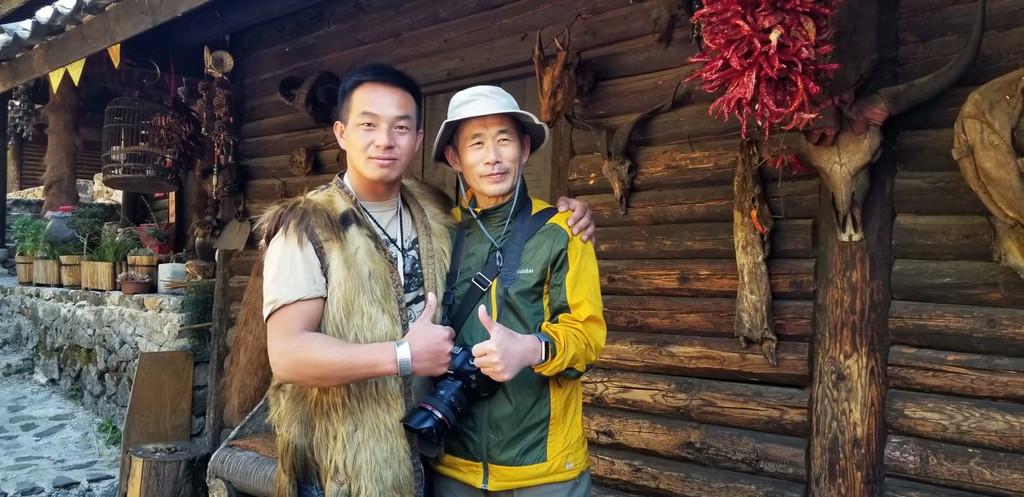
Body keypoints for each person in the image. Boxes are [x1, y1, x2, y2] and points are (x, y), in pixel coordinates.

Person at [259, 64, 595, 497]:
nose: (385, 140)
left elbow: (583, 328)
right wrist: (404, 356)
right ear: (341, 132)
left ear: (418, 140)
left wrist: (572, 215)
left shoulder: (436, 216)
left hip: (425, 456)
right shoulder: (308, 225)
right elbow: (287, 355)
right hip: (342, 465)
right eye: (368, 124)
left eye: (400, 127)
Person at [427, 85, 606, 496]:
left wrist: (530, 349)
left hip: (544, 471)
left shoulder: (562, 231)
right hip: (453, 465)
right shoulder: (439, 233)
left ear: (524, 148)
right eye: (476, 144)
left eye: (504, 140)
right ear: (455, 158)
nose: (492, 156)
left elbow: (588, 337)